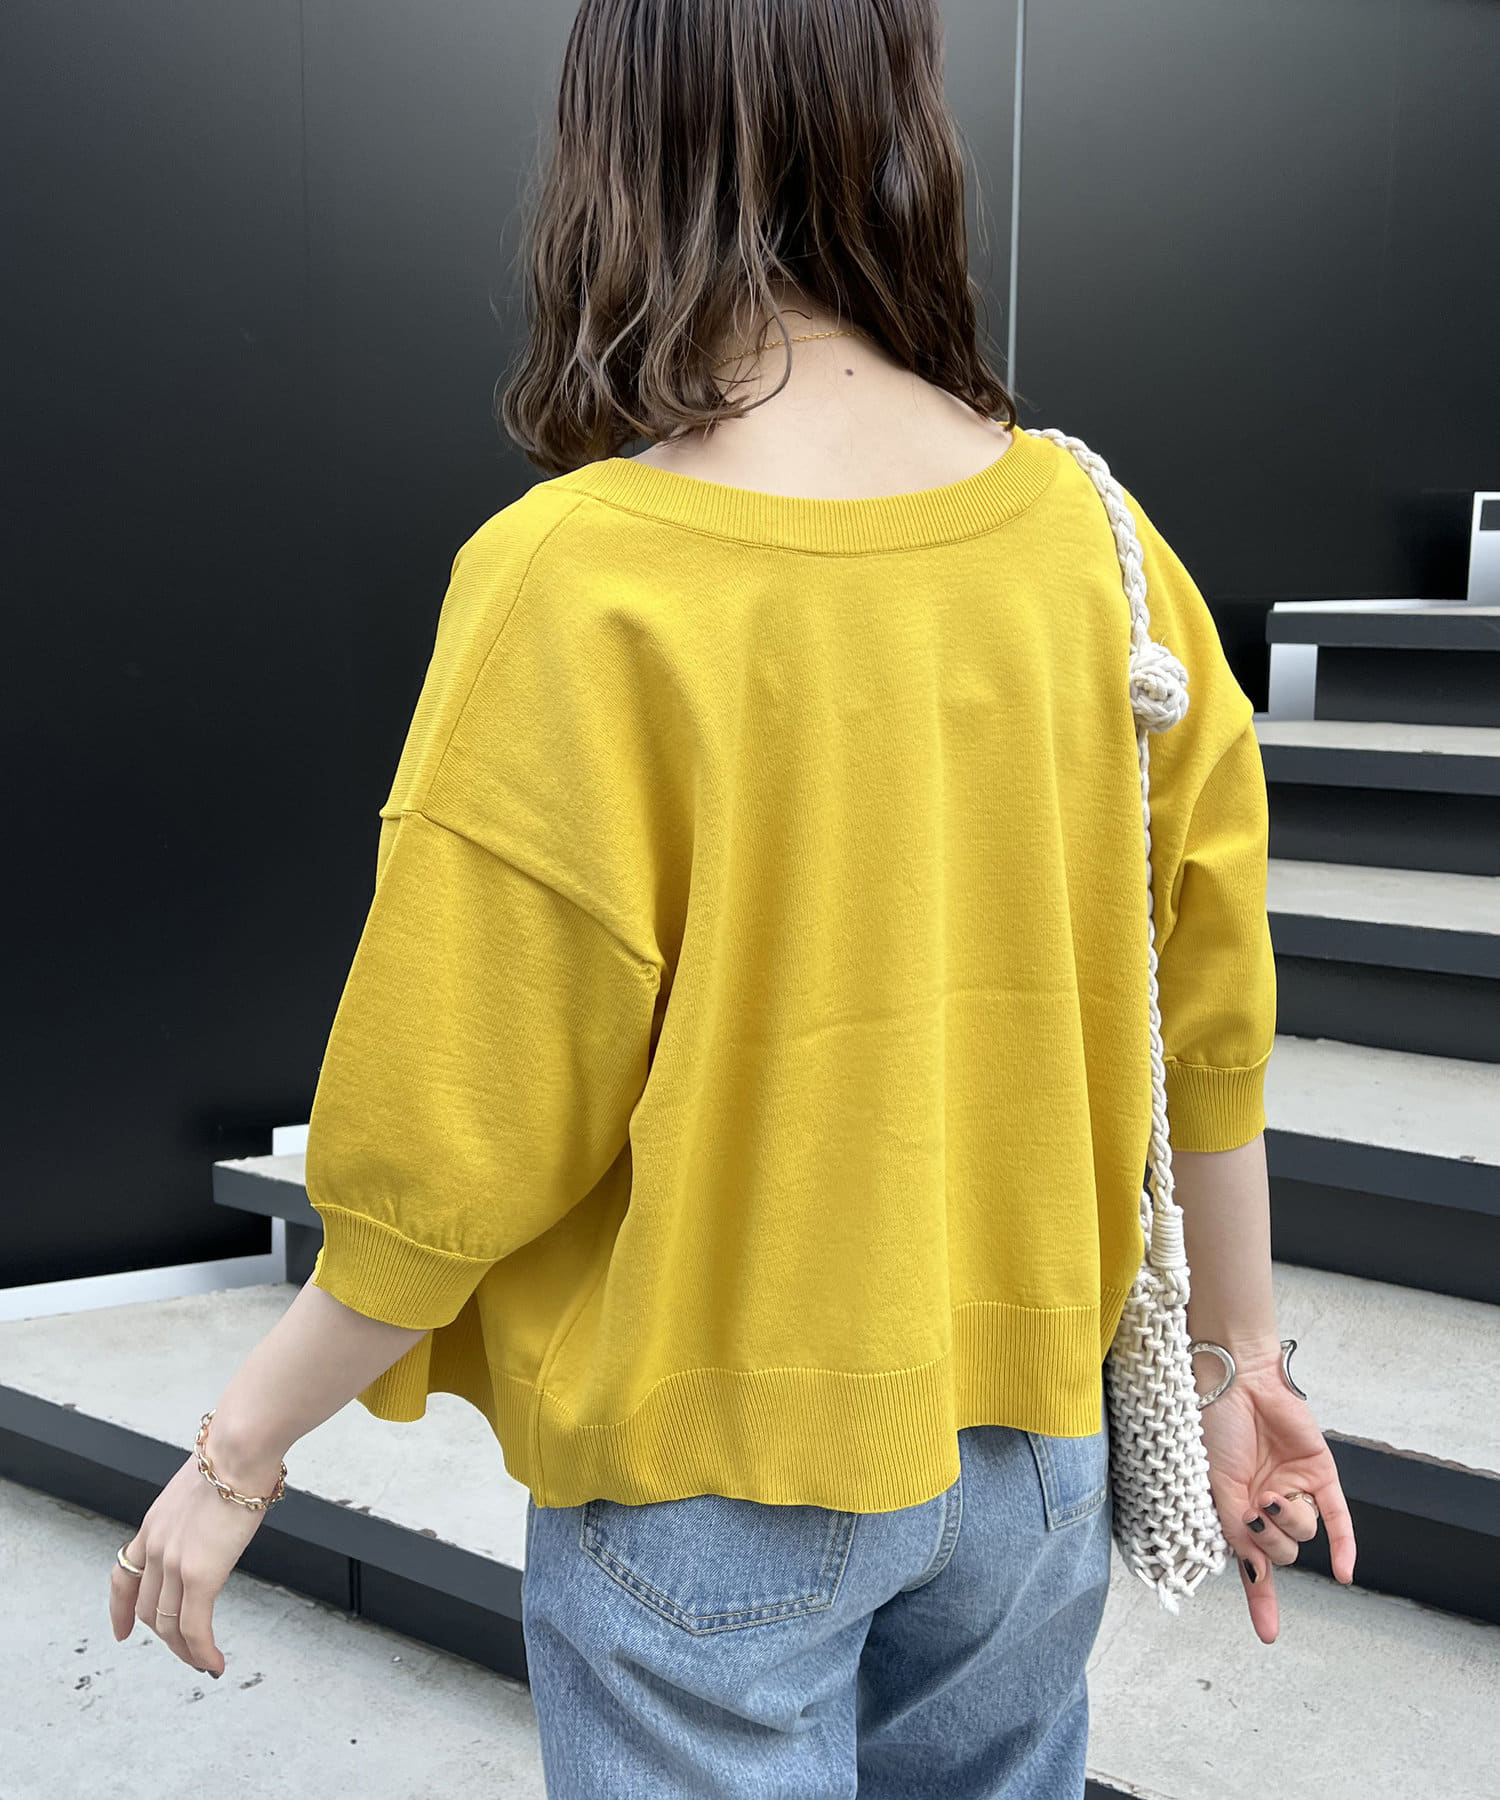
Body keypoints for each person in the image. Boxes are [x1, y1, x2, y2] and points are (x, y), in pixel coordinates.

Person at [109, 1, 1358, 1793]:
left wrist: (236, 1456)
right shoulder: (1098, 543)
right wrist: (1244, 1364)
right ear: (903, 127)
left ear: (618, 144)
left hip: (711, 1487)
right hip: (1030, 1462)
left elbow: (460, 1125)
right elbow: (1210, 1016)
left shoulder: (575, 580)